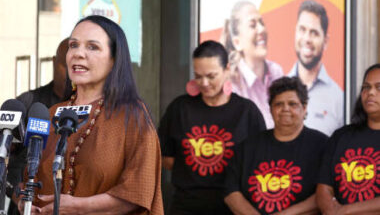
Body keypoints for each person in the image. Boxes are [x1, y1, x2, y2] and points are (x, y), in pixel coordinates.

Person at [17, 15, 163, 214]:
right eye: (73, 45)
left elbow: (138, 192)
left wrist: (77, 208)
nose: (78, 53)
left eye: (92, 47)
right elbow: (29, 178)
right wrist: (24, 200)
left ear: (114, 60)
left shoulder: (132, 115)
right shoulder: (51, 113)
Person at [158, 40, 266, 215]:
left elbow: (261, 161)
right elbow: (164, 156)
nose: (204, 83)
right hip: (186, 205)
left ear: (227, 70)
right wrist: (189, 168)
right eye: (198, 76)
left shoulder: (246, 112)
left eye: (211, 76)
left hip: (232, 206)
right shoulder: (180, 108)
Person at [224, 76, 328, 214]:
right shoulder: (248, 147)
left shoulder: (323, 146)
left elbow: (328, 192)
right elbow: (230, 192)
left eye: (292, 104)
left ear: (304, 108)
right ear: (270, 109)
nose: (285, 109)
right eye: (278, 104)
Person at [5, 38, 70, 215]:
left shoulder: (83, 110)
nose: (69, 73)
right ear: (54, 62)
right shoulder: (28, 102)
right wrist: (16, 193)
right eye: (65, 64)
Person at [316, 63, 380, 214]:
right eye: (366, 87)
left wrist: (345, 211)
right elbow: (323, 189)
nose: (370, 93)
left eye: (379, 87)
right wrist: (332, 210)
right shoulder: (341, 137)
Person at [222, 1, 283, 129]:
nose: (261, 29)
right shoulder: (231, 84)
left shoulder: (276, 72)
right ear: (237, 43)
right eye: (253, 25)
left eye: (261, 23)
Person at [288, 0, 344, 136]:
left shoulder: (339, 99)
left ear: (325, 41)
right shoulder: (277, 91)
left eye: (314, 33)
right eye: (302, 30)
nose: (307, 38)